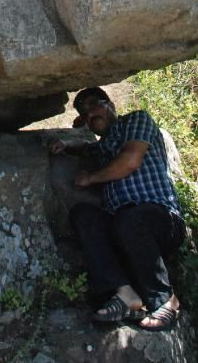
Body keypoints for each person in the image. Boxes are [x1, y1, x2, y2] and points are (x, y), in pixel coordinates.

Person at [50, 86, 185, 332]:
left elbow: (131, 160)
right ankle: (126, 294)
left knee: (130, 219)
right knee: (83, 215)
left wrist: (90, 178)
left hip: (161, 218)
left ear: (111, 104)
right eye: (85, 113)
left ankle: (164, 300)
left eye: (95, 104)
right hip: (124, 226)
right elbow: (85, 146)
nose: (91, 114)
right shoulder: (101, 146)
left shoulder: (136, 120)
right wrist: (66, 145)